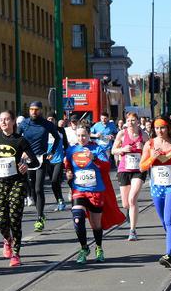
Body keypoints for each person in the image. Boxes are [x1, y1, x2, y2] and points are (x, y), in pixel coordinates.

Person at [0, 110, 39, 266]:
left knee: (15, 218)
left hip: (17, 183)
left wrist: (26, 166)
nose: (3, 122)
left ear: (13, 121)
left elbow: (35, 162)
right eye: (1, 120)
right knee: (1, 219)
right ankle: (7, 239)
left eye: (7, 119)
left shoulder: (20, 140)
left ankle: (16, 254)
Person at [140, 116, 171, 268]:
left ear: (168, 128)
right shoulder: (149, 144)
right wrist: (152, 158)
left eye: (162, 128)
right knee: (163, 221)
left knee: (169, 221)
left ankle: (168, 255)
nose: (160, 131)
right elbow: (142, 167)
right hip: (156, 186)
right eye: (156, 128)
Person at [64, 125, 110, 263]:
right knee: (77, 219)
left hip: (95, 191)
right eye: (78, 136)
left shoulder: (97, 149)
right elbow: (68, 167)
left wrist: (94, 158)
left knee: (96, 224)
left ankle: (98, 247)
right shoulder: (71, 150)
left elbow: (106, 167)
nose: (81, 138)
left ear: (89, 135)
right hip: (79, 190)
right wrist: (68, 174)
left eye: (84, 135)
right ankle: (84, 248)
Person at [18, 101, 60, 232]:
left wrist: (51, 152)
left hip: (41, 158)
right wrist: (21, 153)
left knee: (38, 188)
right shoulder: (24, 123)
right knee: (31, 188)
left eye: (36, 110)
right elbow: (17, 139)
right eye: (31, 109)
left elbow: (57, 138)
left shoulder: (47, 124)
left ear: (41, 110)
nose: (33, 112)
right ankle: (39, 211)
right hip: (28, 159)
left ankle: (39, 217)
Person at [112, 112, 147, 241]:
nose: (131, 123)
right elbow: (113, 150)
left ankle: (132, 231)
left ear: (138, 121)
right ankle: (129, 211)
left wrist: (143, 147)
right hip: (124, 169)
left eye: (133, 120)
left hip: (139, 170)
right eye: (129, 120)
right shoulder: (121, 134)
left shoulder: (144, 135)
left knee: (132, 199)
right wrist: (122, 150)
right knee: (125, 204)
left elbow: (150, 152)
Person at [46, 114, 68, 211]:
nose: (50, 121)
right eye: (49, 119)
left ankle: (60, 200)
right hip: (48, 160)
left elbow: (65, 144)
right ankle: (60, 200)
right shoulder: (44, 130)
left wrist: (66, 156)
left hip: (59, 159)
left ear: (55, 121)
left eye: (52, 119)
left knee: (55, 180)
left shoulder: (60, 130)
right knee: (53, 182)